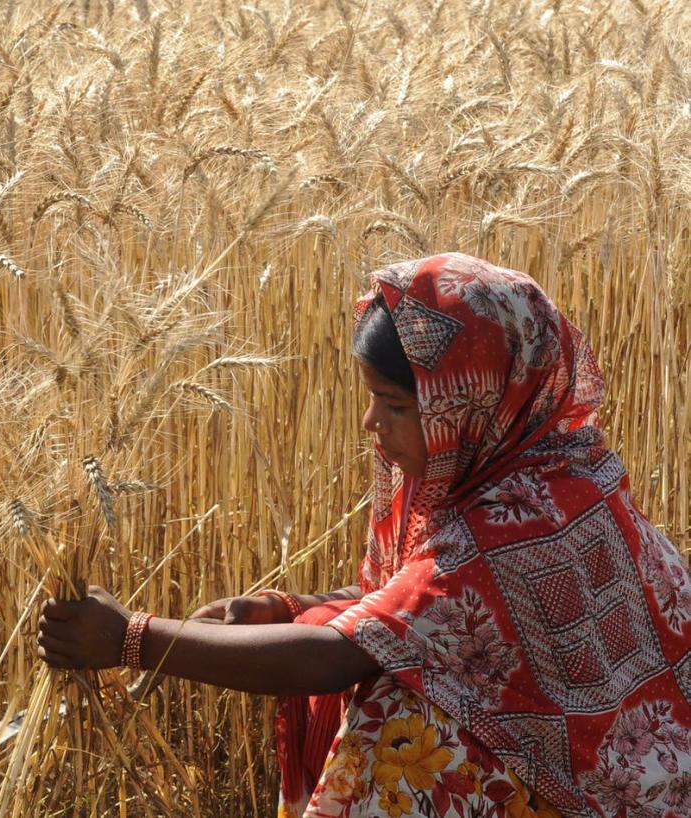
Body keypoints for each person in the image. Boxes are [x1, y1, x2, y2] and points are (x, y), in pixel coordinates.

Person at [36, 253, 691, 817]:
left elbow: (337, 656)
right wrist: (292, 609)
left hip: (613, 800)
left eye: (398, 406)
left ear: (469, 403)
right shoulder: (559, 471)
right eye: (372, 396)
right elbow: (444, 616)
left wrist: (130, 638)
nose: (369, 421)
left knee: (407, 721)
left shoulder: (503, 531)